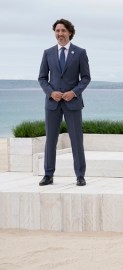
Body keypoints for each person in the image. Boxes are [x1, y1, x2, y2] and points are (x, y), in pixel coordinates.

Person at [37, 19, 91, 186]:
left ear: (69, 33)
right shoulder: (48, 53)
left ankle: (80, 175)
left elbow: (86, 78)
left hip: (72, 103)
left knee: (76, 140)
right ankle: (48, 175)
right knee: (50, 140)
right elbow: (42, 78)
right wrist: (51, 92)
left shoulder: (80, 53)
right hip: (52, 103)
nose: (60, 34)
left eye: (63, 31)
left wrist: (73, 92)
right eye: (57, 31)